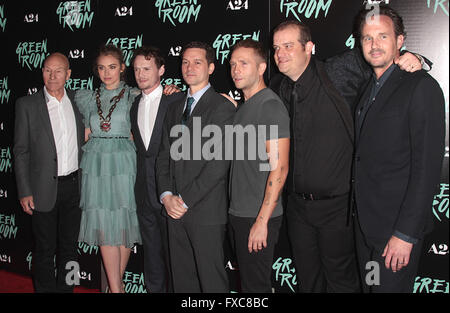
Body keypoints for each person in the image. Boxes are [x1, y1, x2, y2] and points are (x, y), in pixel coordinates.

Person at [269, 18, 427, 292]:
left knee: (343, 284)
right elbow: (254, 97)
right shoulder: (278, 87)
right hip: (297, 210)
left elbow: (379, 53)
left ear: (309, 47)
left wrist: (416, 58)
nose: (280, 53)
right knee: (308, 283)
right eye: (275, 47)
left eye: (288, 45)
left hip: (338, 210)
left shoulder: (337, 71)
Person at [352, 4, 445, 293]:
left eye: (383, 36)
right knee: (371, 288)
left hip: (394, 235)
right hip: (366, 230)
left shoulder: (421, 87)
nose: (374, 45)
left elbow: (426, 171)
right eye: (367, 38)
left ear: (400, 41)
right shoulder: (369, 88)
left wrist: (405, 234)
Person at [156, 41, 235, 292]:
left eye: (197, 62)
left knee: (212, 282)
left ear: (211, 67)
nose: (189, 67)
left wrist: (185, 200)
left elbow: (218, 164)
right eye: (185, 62)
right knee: (182, 281)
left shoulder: (222, 107)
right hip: (173, 210)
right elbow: (163, 156)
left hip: (205, 211)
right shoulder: (174, 106)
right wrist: (167, 196)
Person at [13, 52, 84, 292]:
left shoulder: (79, 101)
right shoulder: (27, 105)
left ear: (68, 74)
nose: (52, 76)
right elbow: (20, 151)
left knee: (71, 248)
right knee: (44, 250)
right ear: (42, 72)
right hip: (42, 189)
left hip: (75, 187)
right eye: (47, 70)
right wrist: (24, 191)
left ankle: (68, 290)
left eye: (58, 70)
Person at [75, 44, 141, 293]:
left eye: (112, 67)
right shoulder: (86, 98)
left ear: (122, 68)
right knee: (103, 224)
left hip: (124, 162)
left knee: (124, 221)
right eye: (101, 68)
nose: (107, 73)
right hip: (96, 162)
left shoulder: (135, 95)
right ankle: (116, 289)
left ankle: (115, 287)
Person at [227, 39, 290, 292]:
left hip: (257, 216)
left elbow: (280, 168)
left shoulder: (270, 106)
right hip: (239, 213)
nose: (235, 70)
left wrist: (261, 221)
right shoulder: (244, 108)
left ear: (262, 68)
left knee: (256, 289)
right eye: (232, 64)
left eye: (243, 63)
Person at [130, 46, 184, 293]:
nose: (140, 74)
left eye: (147, 68)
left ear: (161, 70)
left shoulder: (177, 99)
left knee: (176, 258)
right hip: (143, 192)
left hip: (171, 192)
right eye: (137, 69)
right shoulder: (133, 105)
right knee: (151, 257)